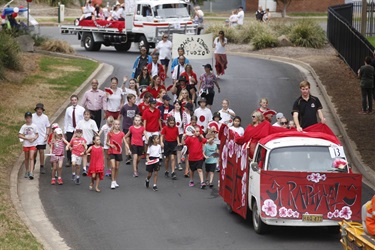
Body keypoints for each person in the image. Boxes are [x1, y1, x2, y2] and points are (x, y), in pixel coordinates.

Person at [168, 100, 191, 171]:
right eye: (176, 105)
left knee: (179, 148)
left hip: (181, 132)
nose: (177, 106)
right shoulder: (171, 113)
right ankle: (173, 163)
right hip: (173, 133)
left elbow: (186, 124)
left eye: (179, 105)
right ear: (174, 105)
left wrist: (185, 133)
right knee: (173, 149)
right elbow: (167, 123)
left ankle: (179, 163)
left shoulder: (184, 114)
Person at [64, 94, 85, 167]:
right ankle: (69, 159)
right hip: (70, 128)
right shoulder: (68, 109)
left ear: (77, 100)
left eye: (75, 100)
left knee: (78, 143)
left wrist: (82, 129)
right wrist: (65, 131)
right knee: (69, 143)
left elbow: (83, 120)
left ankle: (78, 157)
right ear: (71, 101)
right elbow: (66, 120)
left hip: (78, 129)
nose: (74, 101)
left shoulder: (81, 109)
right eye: (72, 100)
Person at [76, 110, 99, 176]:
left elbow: (96, 132)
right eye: (85, 114)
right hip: (83, 142)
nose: (86, 116)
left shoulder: (93, 122)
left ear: (90, 115)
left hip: (90, 141)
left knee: (90, 155)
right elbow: (77, 131)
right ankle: (84, 168)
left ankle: (88, 164)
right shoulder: (80, 122)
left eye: (88, 114)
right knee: (85, 154)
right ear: (83, 115)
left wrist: (96, 140)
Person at [119, 94, 140, 164]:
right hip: (126, 126)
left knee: (132, 141)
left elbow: (138, 116)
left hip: (134, 127)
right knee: (127, 140)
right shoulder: (125, 107)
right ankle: (127, 156)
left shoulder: (136, 107)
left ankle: (130, 151)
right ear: (129, 100)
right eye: (133, 99)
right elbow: (120, 115)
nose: (135, 100)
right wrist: (117, 124)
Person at [19, 112, 39, 180]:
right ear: (25, 118)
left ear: (31, 118)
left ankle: (31, 172)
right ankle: (27, 170)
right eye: (27, 118)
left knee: (31, 157)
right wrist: (26, 138)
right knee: (26, 158)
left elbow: (37, 134)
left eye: (29, 118)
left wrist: (34, 139)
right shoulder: (24, 126)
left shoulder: (34, 126)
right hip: (26, 144)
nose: (28, 119)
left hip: (33, 144)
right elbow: (20, 135)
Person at [107, 120, 126, 189]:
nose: (117, 126)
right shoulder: (110, 133)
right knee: (113, 166)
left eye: (118, 124)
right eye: (116, 124)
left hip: (118, 152)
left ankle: (115, 180)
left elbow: (125, 142)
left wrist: (128, 149)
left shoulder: (121, 133)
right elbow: (107, 142)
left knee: (117, 167)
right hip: (111, 151)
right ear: (113, 125)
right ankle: (112, 181)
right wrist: (110, 145)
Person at [32, 103, 50, 175]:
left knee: (41, 151)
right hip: (34, 137)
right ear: (36, 110)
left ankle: (42, 165)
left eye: (40, 109)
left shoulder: (45, 117)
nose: (39, 111)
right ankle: (33, 161)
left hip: (42, 137)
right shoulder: (32, 116)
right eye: (38, 109)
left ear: (42, 110)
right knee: (34, 151)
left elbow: (48, 126)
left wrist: (47, 134)